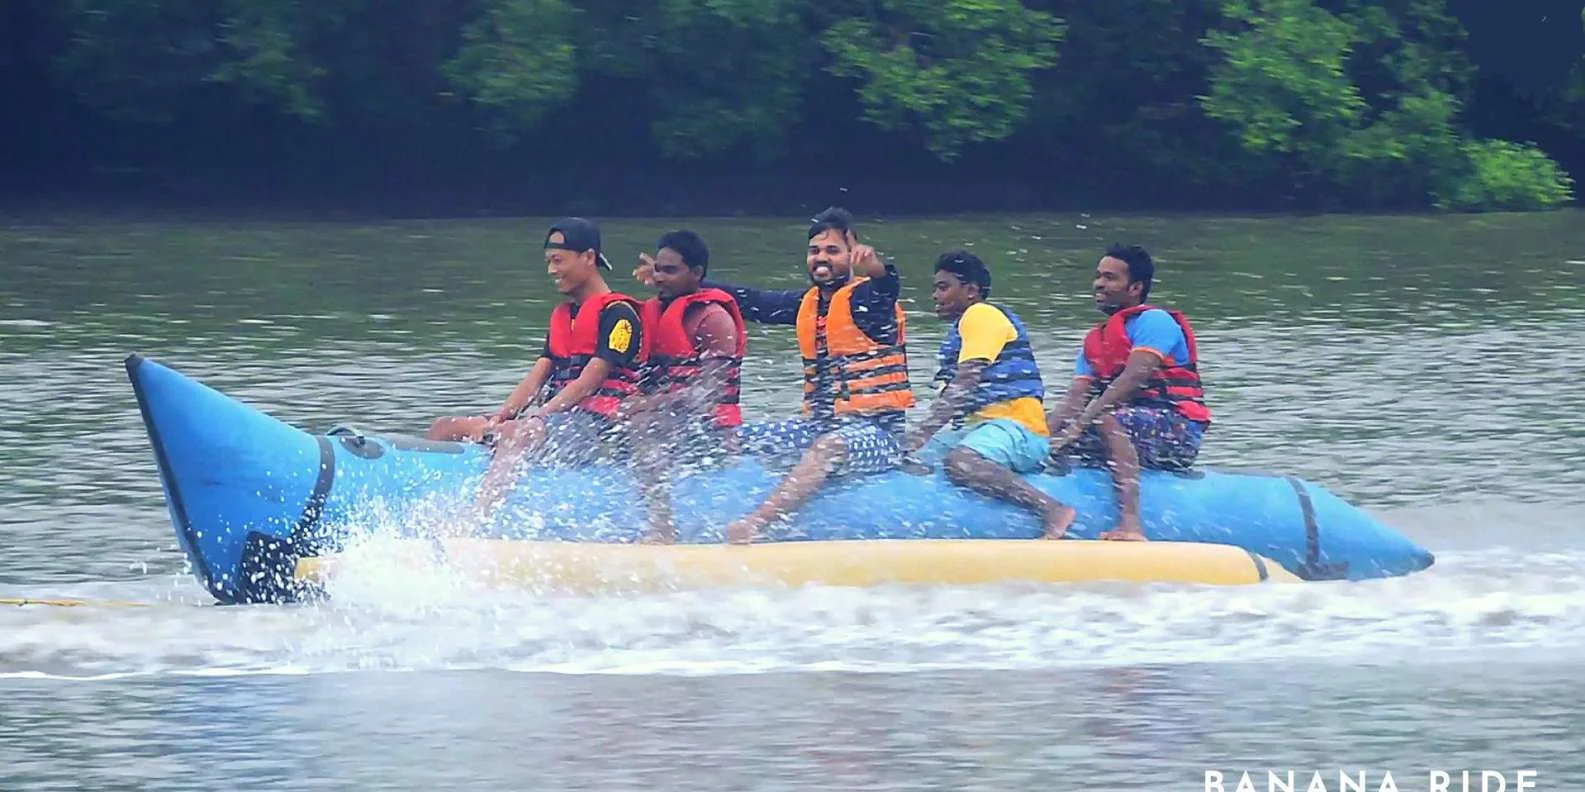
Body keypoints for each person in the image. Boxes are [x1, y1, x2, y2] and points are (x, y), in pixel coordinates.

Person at [636, 207, 914, 544]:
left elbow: (887, 287)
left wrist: (878, 269)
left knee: (830, 446)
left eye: (832, 250)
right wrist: (678, 280)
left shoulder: (871, 302)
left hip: (879, 434)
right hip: (818, 427)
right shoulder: (806, 304)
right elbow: (753, 300)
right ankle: (665, 525)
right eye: (814, 250)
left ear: (851, 255)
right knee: (730, 437)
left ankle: (755, 524)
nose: (821, 258)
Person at [427, 217, 647, 512]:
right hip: (556, 423)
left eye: (558, 260)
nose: (551, 271)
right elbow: (536, 378)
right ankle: (427, 503)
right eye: (548, 262)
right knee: (444, 428)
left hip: (600, 431)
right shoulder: (564, 317)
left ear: (588, 257)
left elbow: (589, 382)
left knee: (515, 433)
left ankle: (479, 519)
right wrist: (501, 416)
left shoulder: (620, 316)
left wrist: (537, 418)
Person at [899, 251, 1078, 538]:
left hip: (1018, 429)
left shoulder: (981, 315)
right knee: (915, 458)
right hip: (983, 429)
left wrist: (920, 434)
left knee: (961, 462)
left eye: (943, 287)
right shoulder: (963, 327)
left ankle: (1051, 508)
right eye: (935, 288)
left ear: (971, 291)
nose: (935, 295)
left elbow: (966, 380)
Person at [1046, 244, 1212, 541]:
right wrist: (1040, 438)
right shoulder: (1096, 340)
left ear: (1135, 288)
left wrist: (1080, 425)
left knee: (1105, 420)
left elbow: (1134, 376)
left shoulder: (1155, 321)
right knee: (1056, 442)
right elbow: (1074, 399)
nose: (1099, 284)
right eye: (1098, 276)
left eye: (1110, 278)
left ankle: (1131, 524)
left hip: (1176, 430)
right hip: (1126, 430)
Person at [623, 229, 747, 544]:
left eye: (670, 271)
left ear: (696, 273)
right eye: (657, 270)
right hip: (670, 419)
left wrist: (647, 406)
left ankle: (662, 528)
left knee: (642, 425)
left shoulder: (714, 319)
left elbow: (708, 395)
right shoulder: (654, 312)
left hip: (712, 432)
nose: (659, 278)